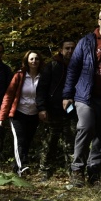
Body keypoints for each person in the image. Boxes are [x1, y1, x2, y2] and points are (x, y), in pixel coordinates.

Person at [63, 8, 101, 185]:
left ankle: (94, 173)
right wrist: (67, 94)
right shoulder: (86, 41)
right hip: (85, 95)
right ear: (98, 21)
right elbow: (73, 68)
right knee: (86, 127)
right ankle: (77, 170)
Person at [0, 50, 46, 174]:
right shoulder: (19, 76)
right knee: (20, 140)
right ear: (26, 61)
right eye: (31, 59)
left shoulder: (44, 76)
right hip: (18, 114)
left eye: (36, 59)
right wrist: (1, 116)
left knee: (27, 141)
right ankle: (23, 167)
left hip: (34, 114)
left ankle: (16, 167)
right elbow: (8, 96)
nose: (34, 61)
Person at [36, 39, 77, 178]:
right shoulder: (52, 66)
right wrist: (42, 108)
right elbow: (41, 89)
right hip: (52, 111)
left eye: (72, 48)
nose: (70, 51)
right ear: (61, 50)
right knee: (49, 144)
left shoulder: (79, 66)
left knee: (71, 144)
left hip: (71, 112)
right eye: (67, 48)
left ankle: (73, 174)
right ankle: (44, 172)